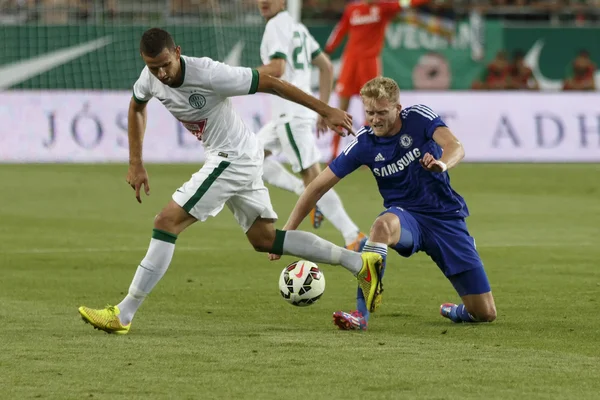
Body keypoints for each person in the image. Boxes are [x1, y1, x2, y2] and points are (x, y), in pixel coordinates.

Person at [77, 28, 384, 334]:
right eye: (153, 67)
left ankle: (124, 313)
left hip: (232, 157)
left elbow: (271, 83)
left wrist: (325, 109)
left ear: (178, 52)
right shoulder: (150, 77)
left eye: (165, 65)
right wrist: (136, 161)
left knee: (166, 222)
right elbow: (136, 106)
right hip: (240, 154)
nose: (161, 73)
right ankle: (359, 264)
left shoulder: (210, 74)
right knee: (264, 239)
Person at [273, 76, 497, 330]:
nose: (375, 119)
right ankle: (361, 315)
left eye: (381, 112)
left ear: (397, 108)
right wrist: (286, 234)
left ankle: (455, 311)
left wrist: (442, 164)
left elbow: (455, 146)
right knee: (381, 228)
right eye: (369, 112)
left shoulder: (419, 118)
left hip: (445, 218)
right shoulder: (364, 144)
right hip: (406, 218)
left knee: (485, 313)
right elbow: (316, 187)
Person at [254, 0, 365, 250]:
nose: (263, 2)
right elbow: (325, 66)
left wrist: (235, 77)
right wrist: (322, 109)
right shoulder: (297, 27)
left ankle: (352, 235)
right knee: (249, 157)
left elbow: (277, 68)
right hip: (291, 113)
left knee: (314, 178)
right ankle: (303, 193)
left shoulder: (275, 26)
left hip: (291, 114)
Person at [324, 0, 431, 163]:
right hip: (350, 62)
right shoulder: (352, 9)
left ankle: (370, 153)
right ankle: (333, 152)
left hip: (370, 63)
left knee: (372, 109)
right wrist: (328, 49)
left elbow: (408, 3)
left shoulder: (383, 8)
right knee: (341, 108)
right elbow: (341, 29)